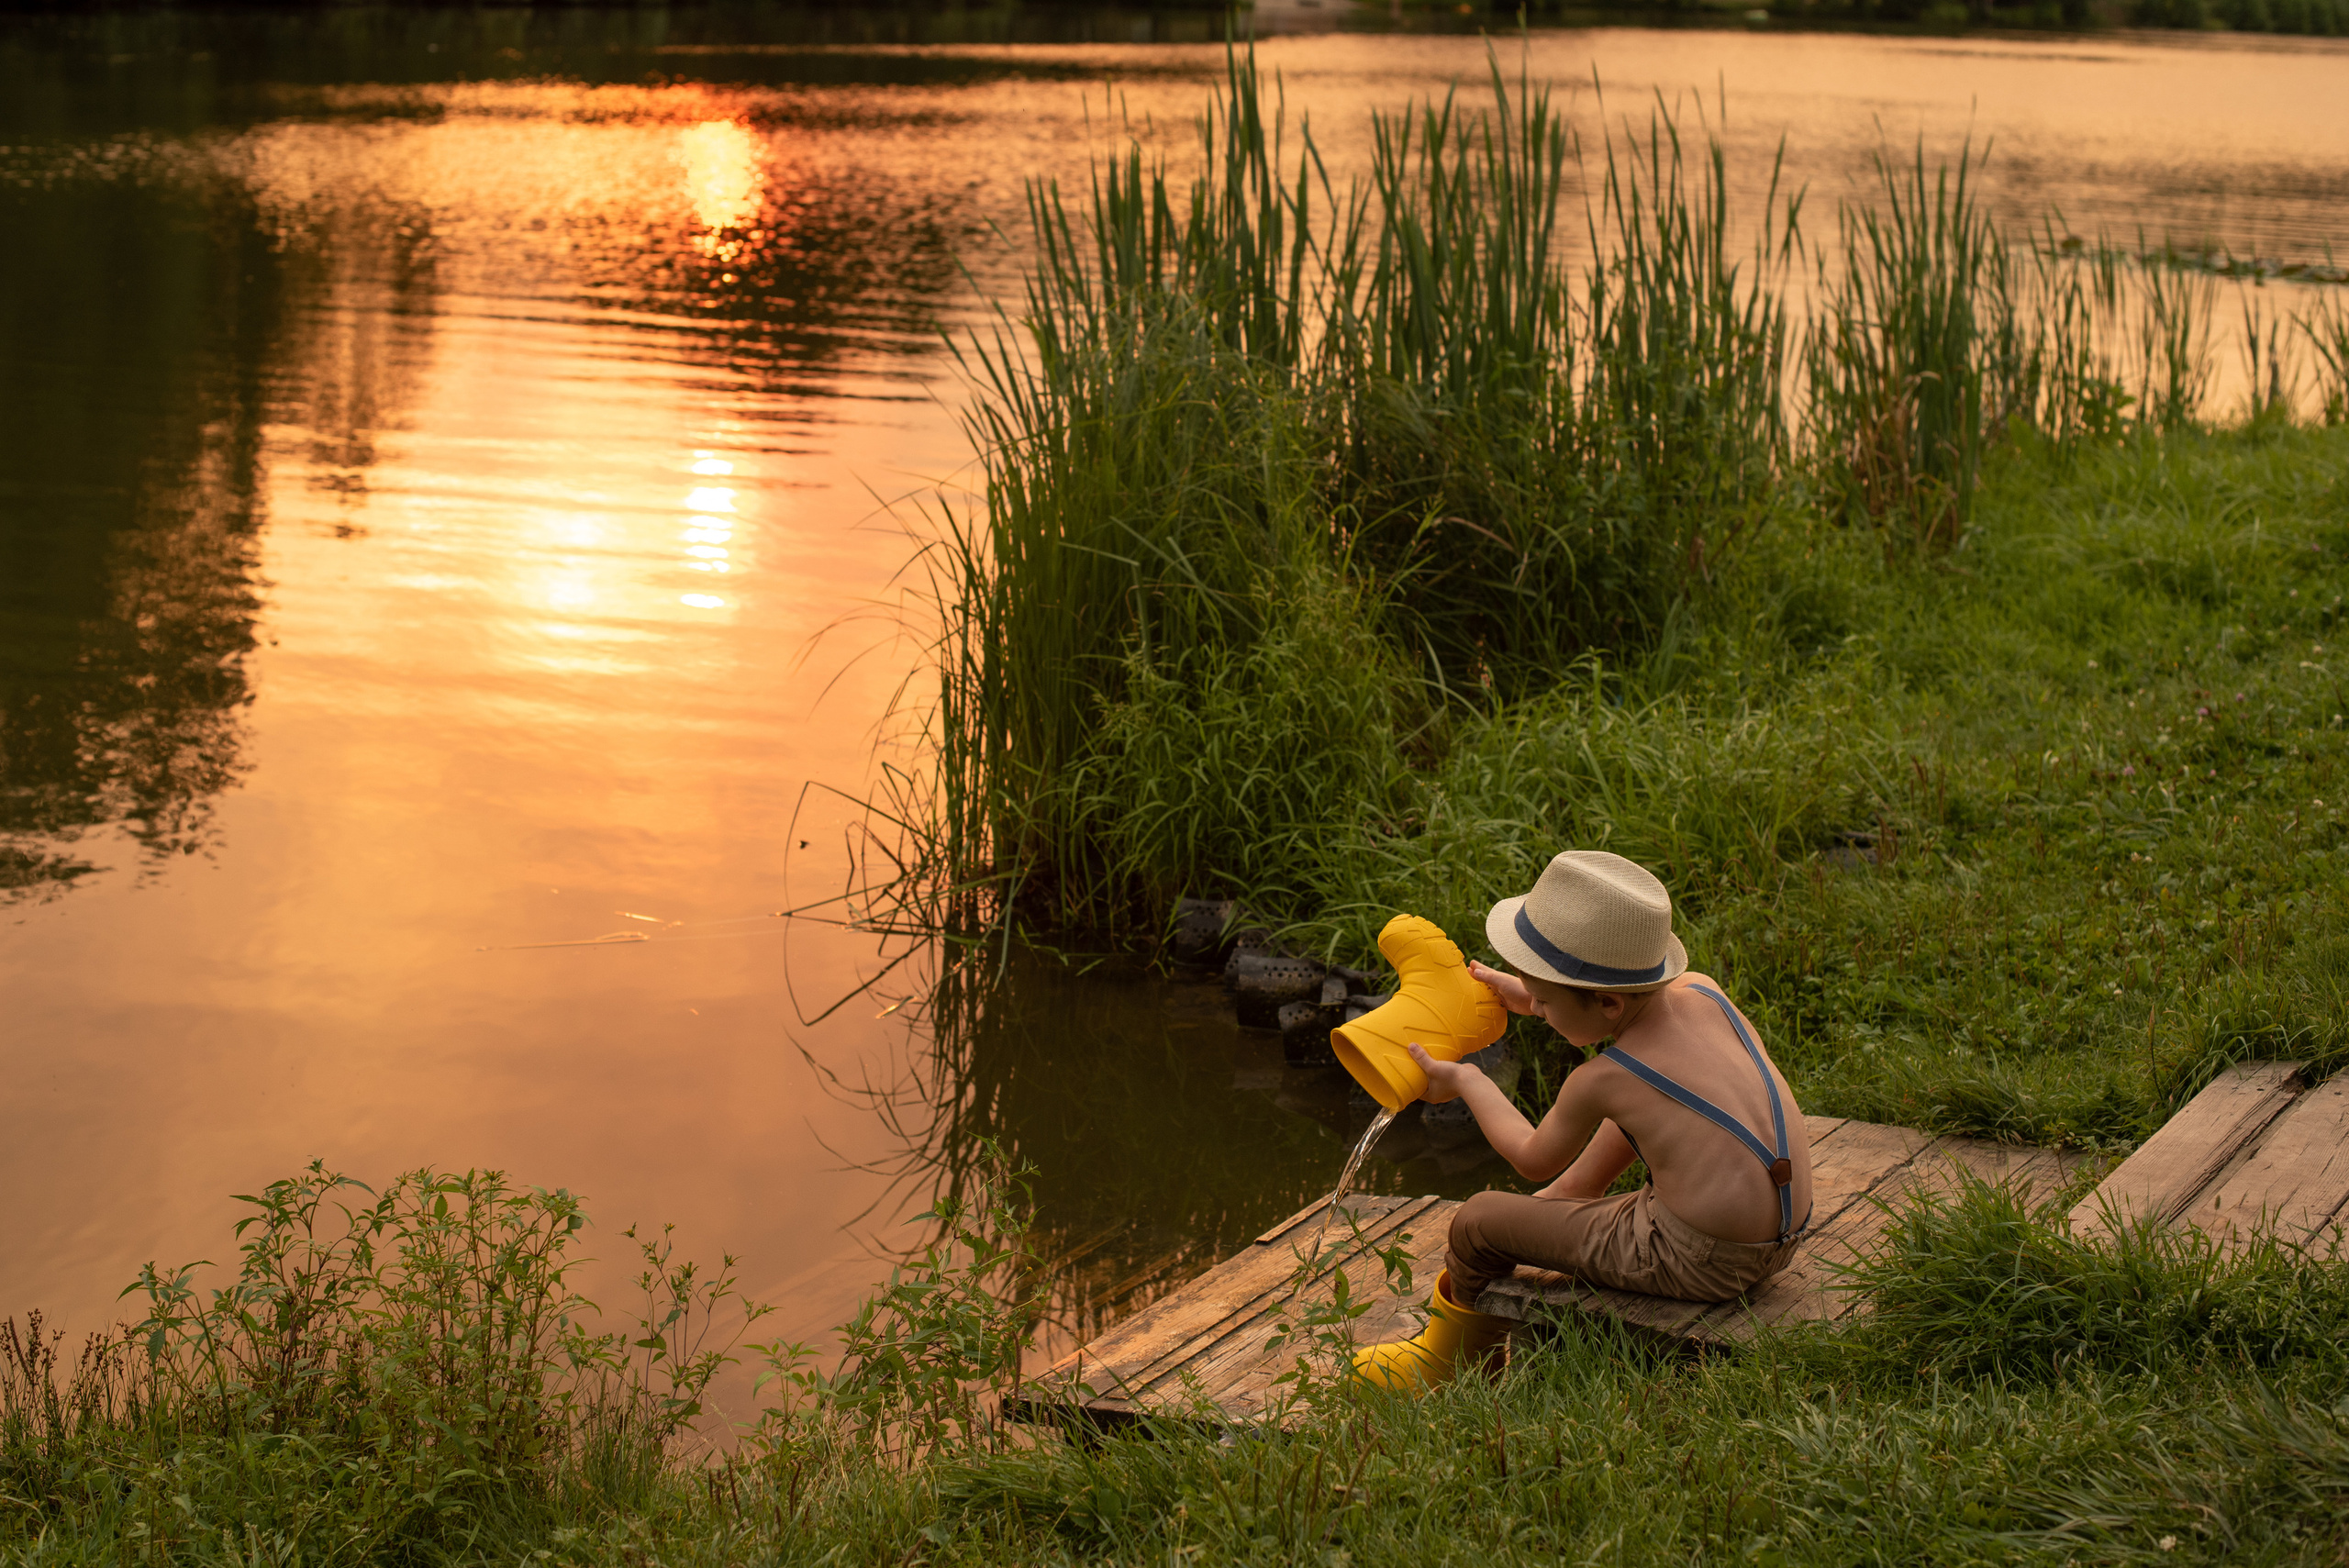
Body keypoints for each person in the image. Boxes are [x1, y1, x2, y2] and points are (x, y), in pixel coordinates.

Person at [1350, 849, 1813, 1395]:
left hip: (1701, 1258)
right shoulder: (1702, 991)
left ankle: (1453, 1365)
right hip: (1782, 1231)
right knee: (1649, 1097)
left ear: (1609, 1004)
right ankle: (1577, 1191)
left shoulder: (1601, 1079)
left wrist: (1468, 1081)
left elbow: (1531, 1158)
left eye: (1544, 1001)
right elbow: (1633, 1050)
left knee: (1476, 1222)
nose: (1537, 1010)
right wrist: (1531, 997)